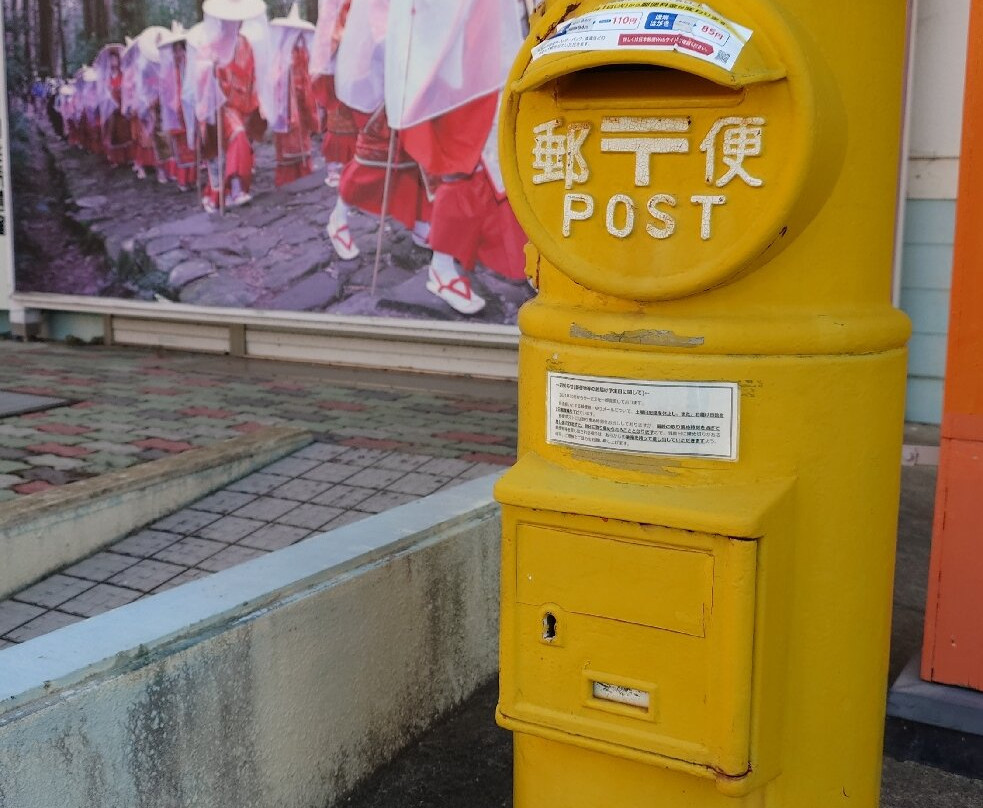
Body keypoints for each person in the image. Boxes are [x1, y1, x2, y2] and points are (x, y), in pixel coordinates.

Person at [387, 0, 527, 314]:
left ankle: (515, 256)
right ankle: (442, 266)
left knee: (501, 166)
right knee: (466, 169)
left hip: (498, 62)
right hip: (463, 74)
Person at [328, 0, 431, 261]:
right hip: (376, 90)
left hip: (403, 86)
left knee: (412, 158)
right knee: (371, 160)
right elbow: (378, 40)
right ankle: (338, 218)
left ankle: (421, 220)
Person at [190, 0, 272, 212]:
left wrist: (255, 101)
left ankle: (223, 191)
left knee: (233, 146)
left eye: (237, 21)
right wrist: (209, 68)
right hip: (220, 104)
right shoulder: (212, 45)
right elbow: (199, 71)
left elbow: (253, 74)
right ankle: (236, 187)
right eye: (229, 21)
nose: (234, 24)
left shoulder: (246, 44)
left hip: (242, 103)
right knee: (237, 136)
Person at [268, 4, 318, 187]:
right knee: (288, 138)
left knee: (302, 136)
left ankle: (304, 170)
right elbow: (275, 76)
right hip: (287, 102)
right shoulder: (281, 53)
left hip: (301, 97)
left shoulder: (302, 49)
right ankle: (288, 177)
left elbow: (307, 72)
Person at [310, 0, 357, 187]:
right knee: (337, 117)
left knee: (354, 117)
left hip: (354, 57)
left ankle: (353, 165)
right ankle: (336, 167)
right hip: (337, 59)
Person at [123, 27, 171, 182]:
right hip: (149, 105)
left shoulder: (163, 61)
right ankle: (159, 170)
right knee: (152, 137)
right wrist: (145, 102)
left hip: (164, 103)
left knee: (167, 136)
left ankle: (169, 168)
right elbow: (141, 87)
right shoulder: (143, 67)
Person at [159, 23, 198, 192]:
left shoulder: (191, 68)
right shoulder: (169, 73)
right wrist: (174, 104)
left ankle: (193, 178)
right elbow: (166, 94)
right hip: (177, 115)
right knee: (181, 148)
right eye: (174, 50)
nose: (177, 54)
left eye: (180, 49)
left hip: (190, 111)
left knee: (193, 145)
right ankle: (183, 179)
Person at [94, 45, 132, 167]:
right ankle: (115, 158)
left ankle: (127, 157)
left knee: (125, 132)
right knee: (112, 132)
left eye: (115, 59)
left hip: (121, 105)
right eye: (111, 60)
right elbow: (102, 92)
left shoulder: (123, 74)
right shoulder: (106, 77)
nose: (113, 62)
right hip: (110, 109)